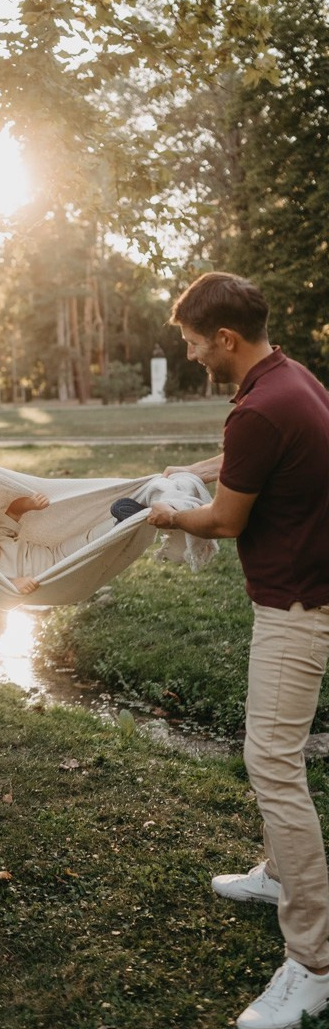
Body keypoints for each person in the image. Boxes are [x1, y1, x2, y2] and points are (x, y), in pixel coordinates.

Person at [147, 272, 329, 1029]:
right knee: (271, 753)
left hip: (296, 602)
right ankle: (276, 874)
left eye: (193, 343)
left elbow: (223, 521)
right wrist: (185, 473)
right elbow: (246, 470)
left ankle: (314, 962)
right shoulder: (290, 379)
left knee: (273, 765)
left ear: (225, 338)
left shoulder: (258, 407)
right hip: (308, 584)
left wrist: (166, 516)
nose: (192, 356)